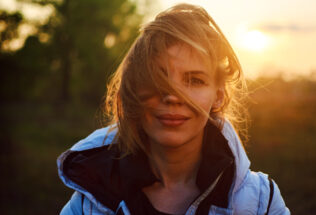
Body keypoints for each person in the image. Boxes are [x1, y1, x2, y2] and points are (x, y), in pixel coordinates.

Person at [57, 3, 290, 215]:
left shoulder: (261, 202)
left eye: (194, 80)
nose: (172, 96)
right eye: (157, 78)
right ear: (134, 90)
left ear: (218, 97)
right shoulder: (88, 205)